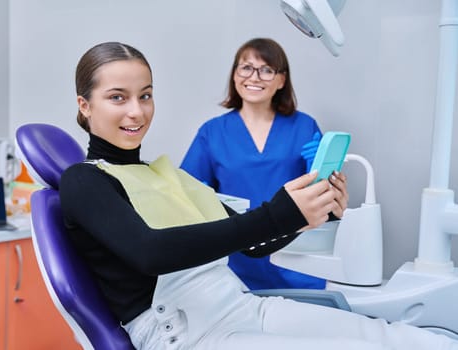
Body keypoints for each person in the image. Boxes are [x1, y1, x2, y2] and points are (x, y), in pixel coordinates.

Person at [59, 41, 457, 350]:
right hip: (188, 334)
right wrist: (279, 214)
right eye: (118, 97)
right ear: (85, 105)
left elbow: (251, 244)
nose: (137, 111)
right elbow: (151, 253)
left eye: (145, 95)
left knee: (397, 339)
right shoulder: (84, 180)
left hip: (240, 306)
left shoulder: (165, 175)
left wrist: (312, 211)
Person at [181, 37, 326, 290]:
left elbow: (327, 200)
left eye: (267, 70)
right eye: (246, 67)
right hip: (236, 260)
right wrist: (197, 195)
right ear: (235, 75)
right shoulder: (213, 132)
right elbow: (185, 193)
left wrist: (323, 170)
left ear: (282, 80)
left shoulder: (304, 126)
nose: (254, 77)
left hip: (295, 257)